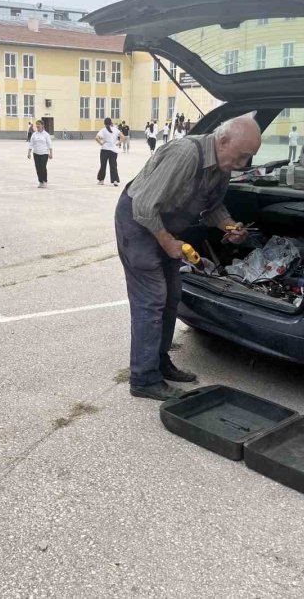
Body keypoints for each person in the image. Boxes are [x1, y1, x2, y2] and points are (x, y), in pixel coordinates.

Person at [115, 116, 262, 400]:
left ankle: (159, 361)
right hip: (138, 222)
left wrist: (229, 226)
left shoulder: (222, 165)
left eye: (248, 158)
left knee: (172, 296)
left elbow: (212, 207)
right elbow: (144, 206)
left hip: (168, 226)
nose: (243, 164)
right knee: (152, 299)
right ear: (223, 141)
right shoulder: (184, 154)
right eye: (242, 156)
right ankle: (143, 379)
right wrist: (168, 241)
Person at [95, 117, 123, 186]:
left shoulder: (103, 130)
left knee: (103, 165)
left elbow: (96, 138)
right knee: (113, 165)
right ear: (111, 123)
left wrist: (101, 143)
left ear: (104, 123)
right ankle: (115, 181)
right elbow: (123, 137)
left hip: (104, 150)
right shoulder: (116, 130)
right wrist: (118, 143)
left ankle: (101, 180)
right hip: (113, 150)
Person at [27, 119, 53, 188]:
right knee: (38, 168)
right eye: (37, 124)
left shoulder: (46, 134)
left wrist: (51, 153)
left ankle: (45, 181)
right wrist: (29, 153)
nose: (37, 126)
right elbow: (31, 144)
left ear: (42, 125)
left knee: (43, 167)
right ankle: (40, 182)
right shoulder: (34, 134)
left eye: (39, 124)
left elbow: (49, 144)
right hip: (36, 153)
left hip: (44, 153)